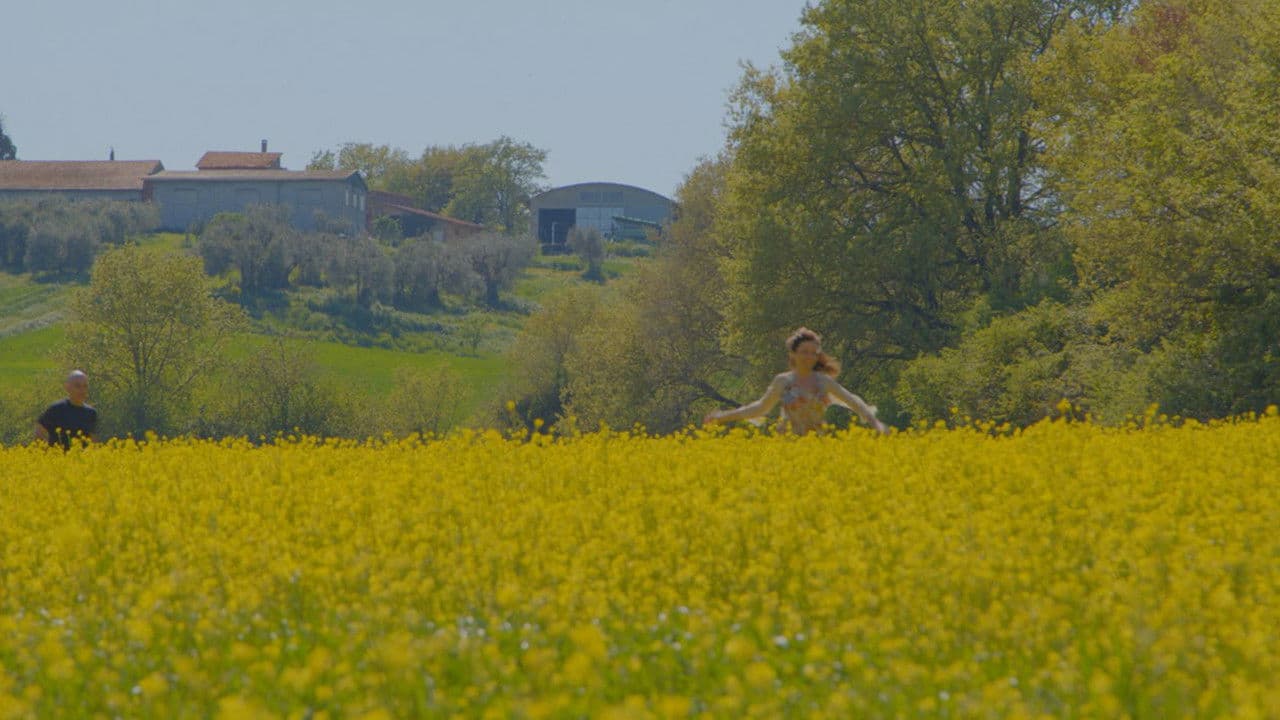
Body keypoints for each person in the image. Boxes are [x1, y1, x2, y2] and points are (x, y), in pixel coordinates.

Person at [703, 327, 888, 435]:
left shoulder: (823, 382)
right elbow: (760, 408)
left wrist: (875, 423)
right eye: (804, 352)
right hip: (788, 446)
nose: (809, 357)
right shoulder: (783, 381)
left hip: (817, 445)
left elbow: (853, 401)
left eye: (813, 353)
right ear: (793, 354)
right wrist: (723, 417)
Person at [35, 370, 99, 449]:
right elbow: (39, 432)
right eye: (78, 386)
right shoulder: (56, 409)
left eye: (85, 386)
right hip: (59, 459)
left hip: (82, 459)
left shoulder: (91, 413)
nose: (82, 390)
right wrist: (47, 453)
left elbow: (93, 441)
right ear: (67, 388)